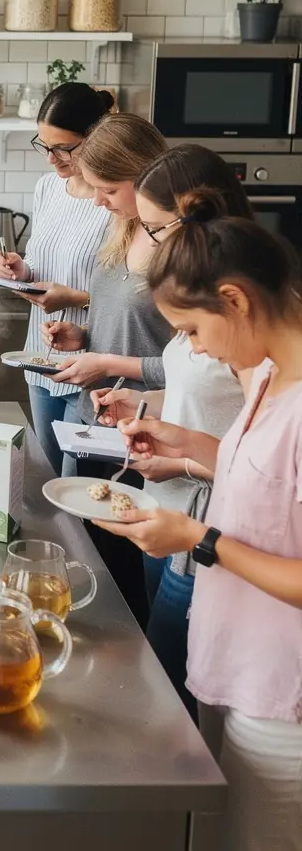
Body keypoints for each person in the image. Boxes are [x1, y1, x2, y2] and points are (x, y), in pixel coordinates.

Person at [100, 197, 302, 851]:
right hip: (233, 660)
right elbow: (263, 480)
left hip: (282, 696)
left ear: (235, 300)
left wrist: (198, 539)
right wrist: (183, 440)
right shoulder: (269, 374)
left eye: (190, 329)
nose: (193, 349)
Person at [91, 146, 253, 718]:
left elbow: (258, 456)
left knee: (165, 695)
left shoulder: (244, 316)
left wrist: (184, 461)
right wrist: (143, 401)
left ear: (191, 216)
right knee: (162, 675)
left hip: (208, 529)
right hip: (166, 508)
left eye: (155, 228)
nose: (149, 240)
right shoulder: (198, 293)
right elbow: (200, 392)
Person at [41, 113, 170, 627]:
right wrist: (83, 339)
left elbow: (194, 365)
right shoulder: (124, 227)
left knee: (134, 587)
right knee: (93, 563)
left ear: (145, 175)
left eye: (108, 188)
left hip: (146, 435)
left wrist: (108, 363)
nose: (98, 200)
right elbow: (118, 318)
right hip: (92, 423)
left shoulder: (175, 247)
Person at [0, 82, 113, 475]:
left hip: (91, 360)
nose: (51, 159)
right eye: (44, 145)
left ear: (95, 137)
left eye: (63, 148)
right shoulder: (48, 188)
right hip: (39, 355)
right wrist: (19, 271)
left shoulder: (115, 198)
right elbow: (44, 263)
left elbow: (130, 292)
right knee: (45, 472)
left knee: (75, 484)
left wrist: (74, 299)